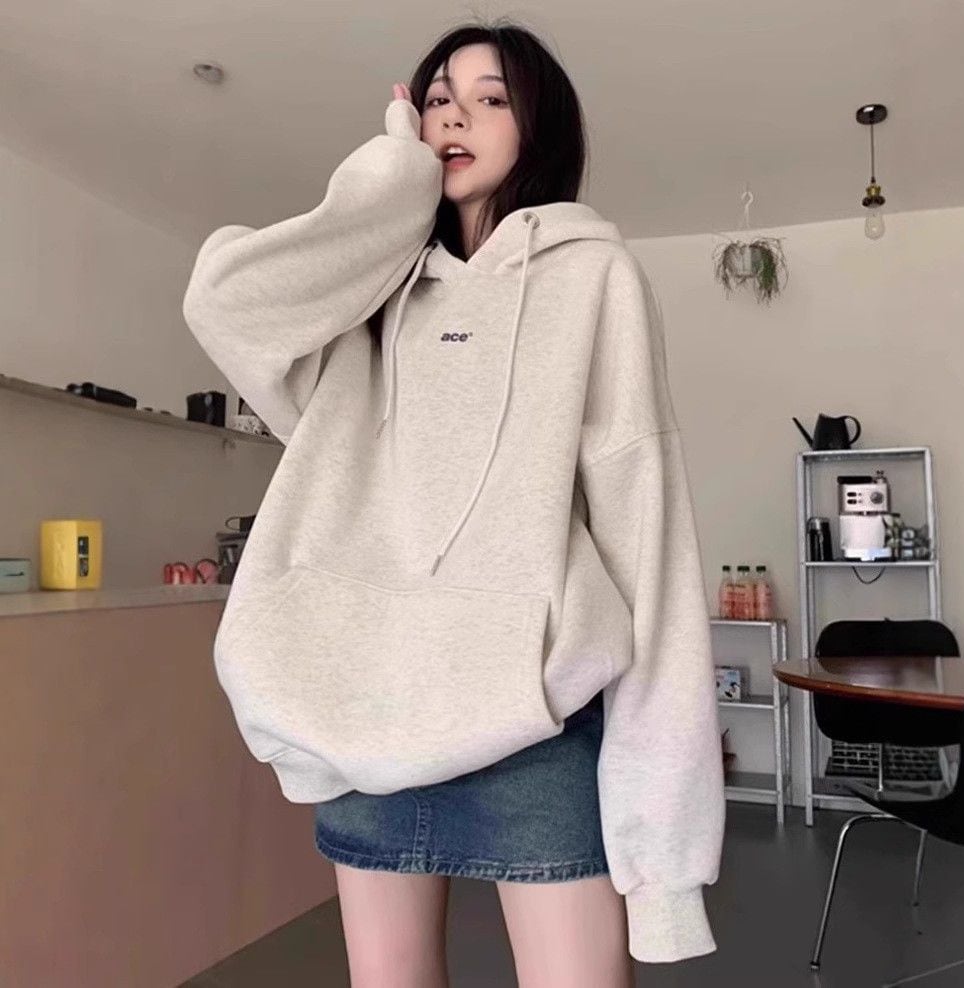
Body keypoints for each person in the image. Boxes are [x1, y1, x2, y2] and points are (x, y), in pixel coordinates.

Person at [182, 19, 725, 988]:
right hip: (364, 713)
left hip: (534, 727)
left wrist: (666, 865)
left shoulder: (593, 275)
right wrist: (392, 184)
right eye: (436, 99)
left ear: (539, 124)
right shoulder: (367, 296)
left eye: (490, 97)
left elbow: (647, 539)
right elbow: (223, 301)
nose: (455, 117)